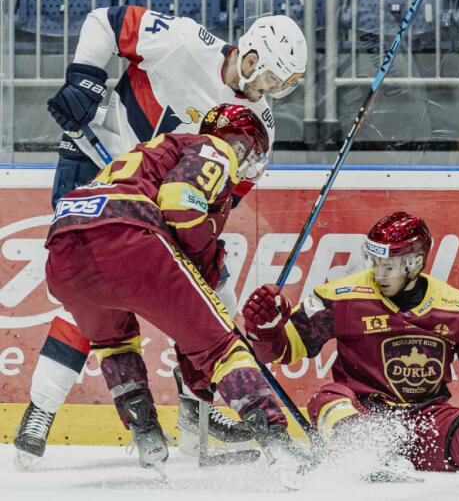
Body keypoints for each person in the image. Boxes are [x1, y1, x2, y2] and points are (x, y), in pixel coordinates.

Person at [14, 6, 307, 467]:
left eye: (283, 84)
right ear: (251, 54)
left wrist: (203, 258)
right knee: (104, 293)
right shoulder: (185, 40)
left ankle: (196, 418)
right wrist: (86, 77)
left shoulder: (260, 125)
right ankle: (41, 410)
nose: (272, 90)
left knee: (212, 296)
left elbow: (221, 199)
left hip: (156, 198)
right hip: (97, 164)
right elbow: (104, 22)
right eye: (271, 76)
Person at [41, 104, 303, 484]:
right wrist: (205, 255)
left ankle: (146, 433)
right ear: (242, 146)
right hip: (127, 238)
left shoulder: (155, 149)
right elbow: (181, 206)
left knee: (115, 341)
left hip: (63, 250)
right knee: (222, 347)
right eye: (251, 153)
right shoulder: (215, 148)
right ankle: (277, 441)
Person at [241, 211, 459, 482]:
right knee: (328, 399)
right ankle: (365, 454)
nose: (379, 273)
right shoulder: (340, 297)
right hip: (362, 412)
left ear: (413, 263)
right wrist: (267, 330)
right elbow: (288, 350)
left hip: (426, 421)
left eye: (389, 265)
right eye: (375, 262)